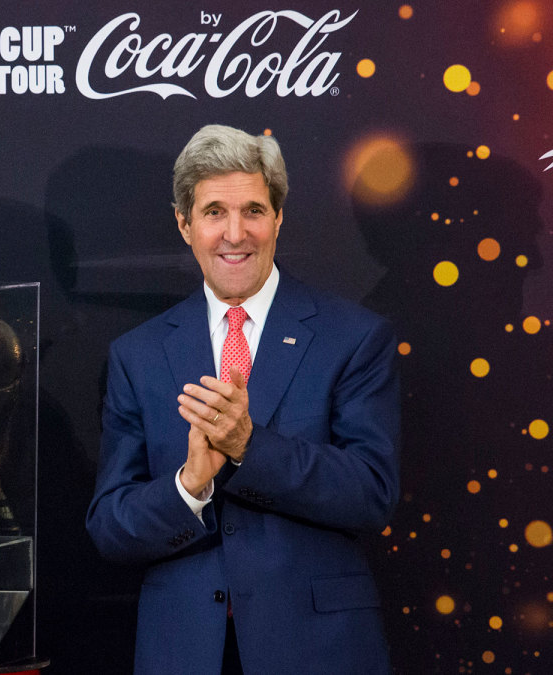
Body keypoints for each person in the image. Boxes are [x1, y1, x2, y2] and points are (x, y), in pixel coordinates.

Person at [86, 125, 399, 674]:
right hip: (183, 652)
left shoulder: (353, 337)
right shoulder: (137, 355)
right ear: (184, 224)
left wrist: (248, 447)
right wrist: (189, 487)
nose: (236, 233)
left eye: (253, 210)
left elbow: (371, 493)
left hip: (318, 651)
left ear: (278, 217)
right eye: (213, 213)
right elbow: (111, 526)